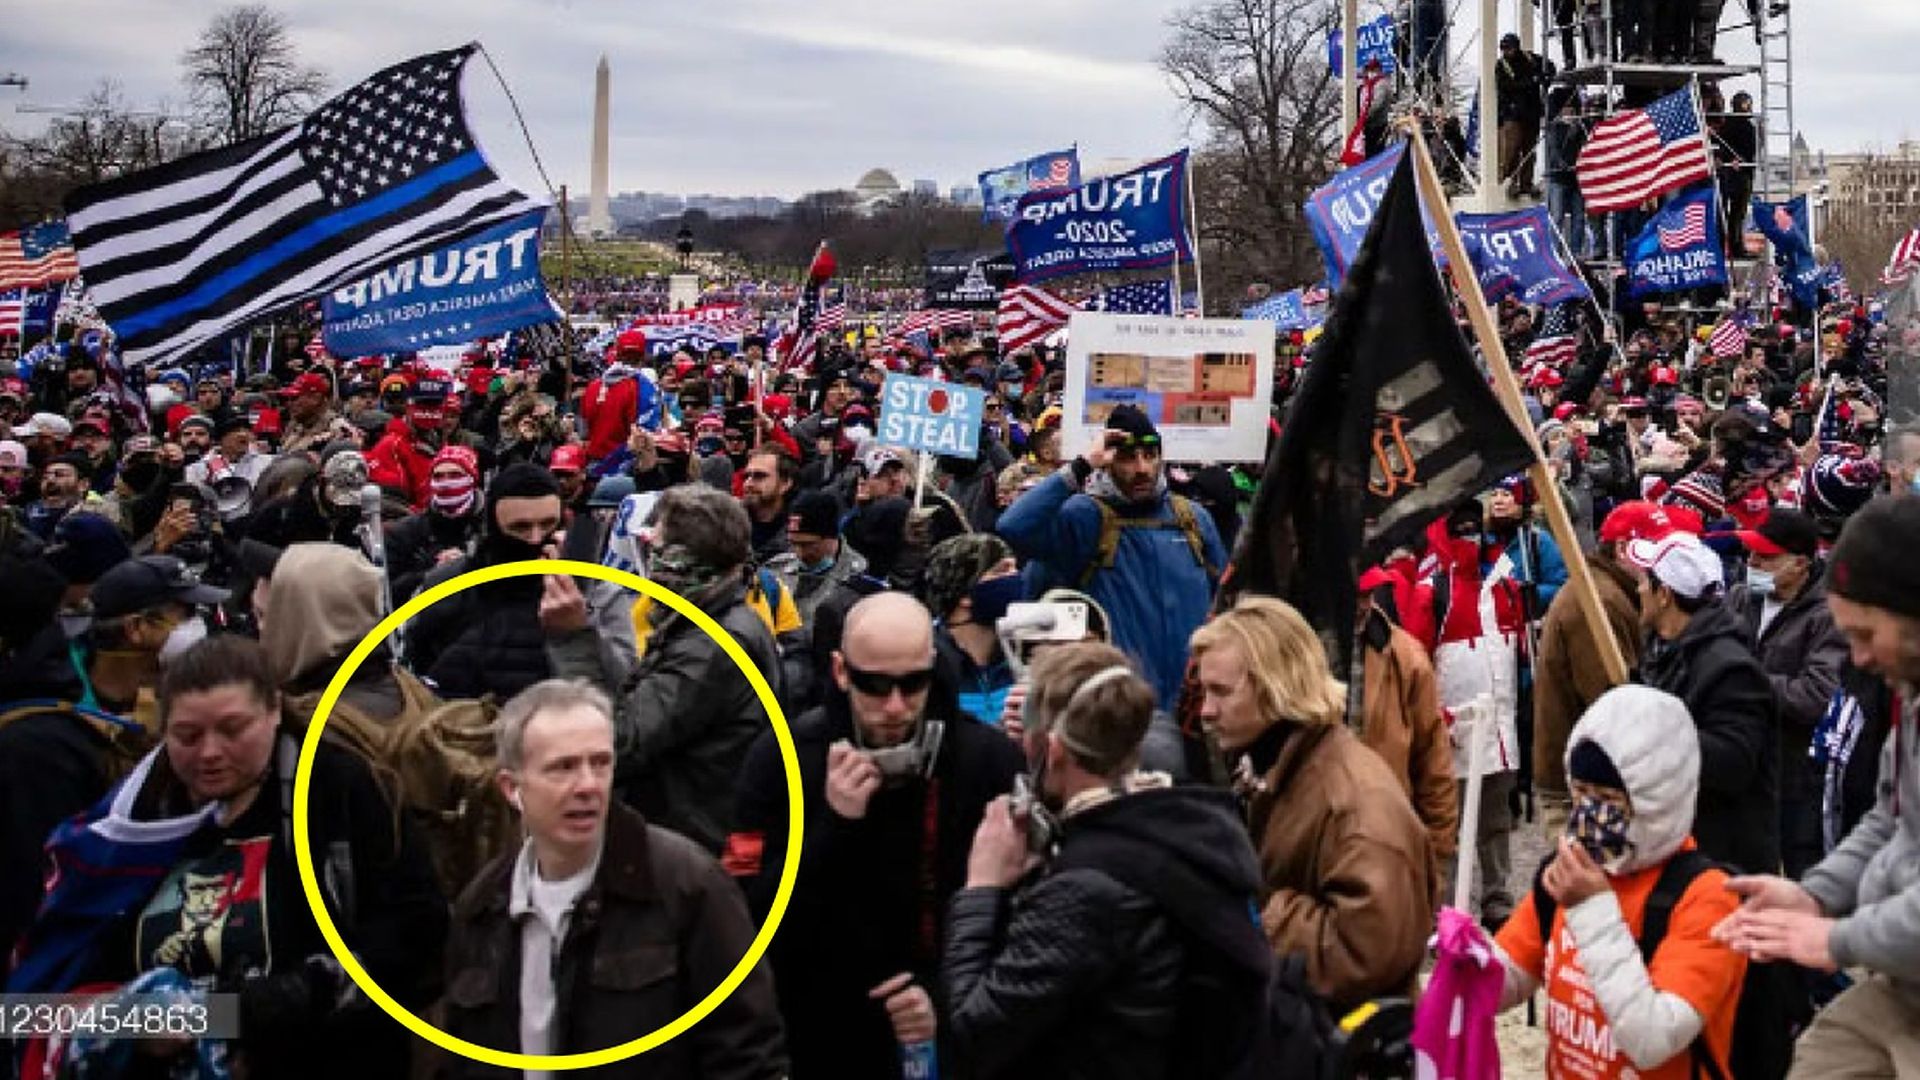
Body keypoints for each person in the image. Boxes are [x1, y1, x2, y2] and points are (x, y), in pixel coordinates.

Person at [9, 634, 446, 1079]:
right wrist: (129, 1022)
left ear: (274, 711)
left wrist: (240, 1011)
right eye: (188, 736)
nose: (210, 753)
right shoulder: (130, 822)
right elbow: (38, 999)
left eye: (233, 730)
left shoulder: (338, 792)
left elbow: (412, 940)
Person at [728, 592, 1023, 1078]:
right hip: (817, 1026)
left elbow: (1021, 919)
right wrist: (831, 826)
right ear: (841, 672)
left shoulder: (985, 759)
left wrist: (944, 998)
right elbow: (747, 922)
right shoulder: (783, 757)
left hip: (946, 1025)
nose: (895, 706)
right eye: (874, 685)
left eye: (913, 685)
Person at [943, 642, 1271, 1079]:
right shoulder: (1186, 829)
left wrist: (982, 888)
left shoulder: (1087, 888)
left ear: (1053, 751)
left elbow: (971, 1035)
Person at [440, 679, 785, 1078]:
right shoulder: (482, 908)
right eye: (563, 767)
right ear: (512, 788)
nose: (587, 786)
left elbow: (748, 1052)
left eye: (600, 763)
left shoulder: (688, 885)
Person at [1714, 495, 1920, 1078]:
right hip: (1898, 979)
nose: (1855, 656)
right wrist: (1815, 894)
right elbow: (1890, 818)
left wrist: (1833, 939)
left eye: (1865, 633)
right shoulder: (1911, 691)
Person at [1191, 596, 1436, 1013]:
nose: (1206, 711)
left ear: (1276, 685)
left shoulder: (1354, 802)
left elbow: (1366, 952)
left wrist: (1250, 911)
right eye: (1204, 692)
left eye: (1221, 692)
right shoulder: (1277, 768)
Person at [1492, 686, 1749, 1080]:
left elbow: (1651, 1039)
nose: (1590, 813)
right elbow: (1509, 975)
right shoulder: (1566, 874)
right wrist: (1465, 967)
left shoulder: (1707, 898)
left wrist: (1591, 909)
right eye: (1581, 794)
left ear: (1656, 801)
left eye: (1607, 798)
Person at [0, 555, 227, 967]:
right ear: (136, 628)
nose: (197, 625)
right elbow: (41, 890)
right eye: (184, 613)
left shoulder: (157, 699)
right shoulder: (41, 744)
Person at [543, 483, 778, 853]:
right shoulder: (706, 621)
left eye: (656, 546)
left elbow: (618, 743)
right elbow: (643, 701)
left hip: (688, 847)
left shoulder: (711, 647)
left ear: (683, 559)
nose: (648, 558)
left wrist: (572, 641)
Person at [997, 405, 1225, 708]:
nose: (1142, 468)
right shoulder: (1084, 516)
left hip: (1192, 710)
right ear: (1106, 462)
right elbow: (1013, 526)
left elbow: (1225, 603)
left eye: (1150, 455)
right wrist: (1081, 466)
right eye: (1129, 457)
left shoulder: (1192, 518)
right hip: (1118, 709)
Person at [1627, 530, 1780, 874]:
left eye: (1643, 582)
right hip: (1678, 850)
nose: (1637, 590)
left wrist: (1649, 732)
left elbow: (1733, 762)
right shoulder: (1663, 650)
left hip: (1721, 865)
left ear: (1664, 594)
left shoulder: (1730, 667)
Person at [1405, 504, 1527, 927]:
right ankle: (1447, 909)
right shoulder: (1431, 592)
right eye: (1462, 531)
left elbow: (1518, 660)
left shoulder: (1504, 586)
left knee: (1495, 821)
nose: (1471, 538)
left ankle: (1497, 897)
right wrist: (1434, 717)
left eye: (1477, 530)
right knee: (1448, 827)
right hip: (1453, 733)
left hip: (1499, 729)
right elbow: (1415, 663)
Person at [1728, 509, 1848, 877]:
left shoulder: (1827, 615)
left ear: (1799, 563)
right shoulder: (1740, 598)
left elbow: (1816, 694)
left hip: (1792, 776)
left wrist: (1745, 680)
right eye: (1751, 554)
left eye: (1765, 557)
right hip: (1742, 764)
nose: (1753, 563)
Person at [1534, 502, 1659, 835]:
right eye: (1654, 549)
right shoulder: (1598, 603)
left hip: (1593, 778)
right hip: (1586, 788)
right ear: (1623, 548)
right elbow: (1608, 702)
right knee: (1596, 883)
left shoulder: (1610, 590)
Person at [408, 463, 565, 700]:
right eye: (520, 527)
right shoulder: (447, 586)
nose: (535, 539)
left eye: (547, 525)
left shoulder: (593, 592)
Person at [1356, 567, 1459, 878]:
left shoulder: (1406, 657)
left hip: (1387, 845)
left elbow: (1433, 763)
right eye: (1356, 594)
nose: (1363, 604)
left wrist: (1437, 858)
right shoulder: (1291, 652)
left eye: (1368, 594)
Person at [923, 534, 1021, 728]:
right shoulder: (928, 661)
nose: (1016, 577)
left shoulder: (1022, 656)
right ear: (964, 593)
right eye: (1002, 570)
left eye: (1015, 568)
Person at [384, 444, 485, 602]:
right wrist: (434, 573)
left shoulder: (491, 526)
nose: (446, 483)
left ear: (472, 478)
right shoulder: (405, 532)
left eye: (455, 475)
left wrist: (469, 564)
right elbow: (387, 591)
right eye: (438, 476)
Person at [1495, 32, 1549, 200]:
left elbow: (1549, 66)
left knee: (1529, 150)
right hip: (1513, 114)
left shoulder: (1530, 58)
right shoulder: (1502, 65)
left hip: (1531, 112)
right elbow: (1507, 86)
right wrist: (1533, 81)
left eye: (1509, 48)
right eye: (1504, 49)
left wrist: (1545, 77)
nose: (1506, 52)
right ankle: (1510, 182)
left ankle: (1526, 184)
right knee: (1512, 150)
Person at [740, 447, 796, 562]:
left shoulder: (799, 534)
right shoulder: (727, 525)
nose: (748, 483)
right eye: (746, 476)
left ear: (785, 484)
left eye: (759, 476)